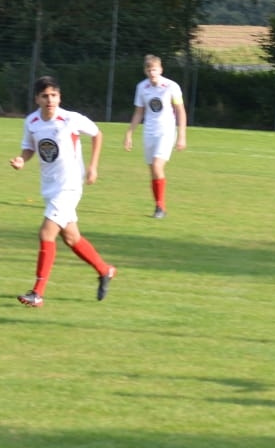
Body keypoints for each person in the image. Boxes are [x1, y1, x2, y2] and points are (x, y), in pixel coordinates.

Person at [10, 76, 117, 307]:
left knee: (46, 234)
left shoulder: (70, 119)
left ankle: (37, 293)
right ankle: (105, 270)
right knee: (71, 237)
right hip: (50, 186)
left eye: (54, 95)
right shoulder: (32, 121)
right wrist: (21, 159)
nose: (50, 100)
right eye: (45, 96)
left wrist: (93, 166)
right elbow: (29, 147)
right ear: (37, 99)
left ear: (59, 97)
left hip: (69, 186)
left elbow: (97, 134)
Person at [124, 53, 188, 218]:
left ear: (161, 69)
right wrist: (129, 133)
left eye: (155, 69)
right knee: (153, 169)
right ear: (145, 71)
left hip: (166, 131)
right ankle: (159, 206)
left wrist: (182, 135)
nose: (152, 73)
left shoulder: (171, 86)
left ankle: (160, 207)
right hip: (149, 132)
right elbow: (139, 112)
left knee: (157, 166)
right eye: (149, 70)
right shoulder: (142, 87)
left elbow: (180, 111)